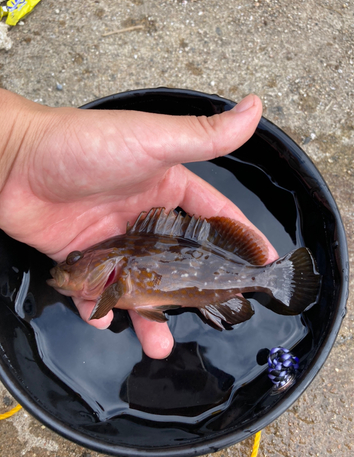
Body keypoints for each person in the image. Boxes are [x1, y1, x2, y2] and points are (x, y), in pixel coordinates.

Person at [0, 88, 277, 359]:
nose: (66, 265)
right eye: (73, 261)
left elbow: (109, 300)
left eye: (74, 259)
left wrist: (19, 147)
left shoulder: (117, 277)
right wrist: (18, 146)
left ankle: (269, 277)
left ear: (108, 262)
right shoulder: (115, 273)